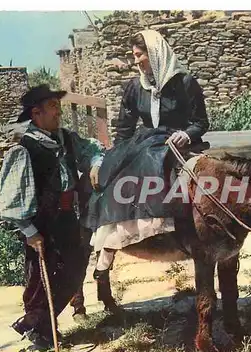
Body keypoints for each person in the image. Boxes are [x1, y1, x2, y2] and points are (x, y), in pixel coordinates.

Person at [82, 29, 209, 281]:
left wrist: (188, 134)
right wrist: (116, 156)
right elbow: (124, 129)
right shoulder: (134, 87)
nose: (136, 61)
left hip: (176, 142)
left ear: (155, 54)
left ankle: (166, 229)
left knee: (155, 163)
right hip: (146, 140)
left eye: (140, 55)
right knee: (113, 172)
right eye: (134, 56)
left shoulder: (184, 83)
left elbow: (201, 122)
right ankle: (109, 242)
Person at [0, 84, 105, 350]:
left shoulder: (66, 138)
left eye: (58, 106)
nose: (59, 112)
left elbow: (91, 151)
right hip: (41, 224)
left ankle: (36, 324)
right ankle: (41, 331)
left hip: (67, 218)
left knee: (74, 271)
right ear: (37, 113)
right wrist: (29, 231)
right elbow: (11, 197)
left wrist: (96, 163)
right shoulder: (25, 148)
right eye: (53, 107)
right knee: (40, 279)